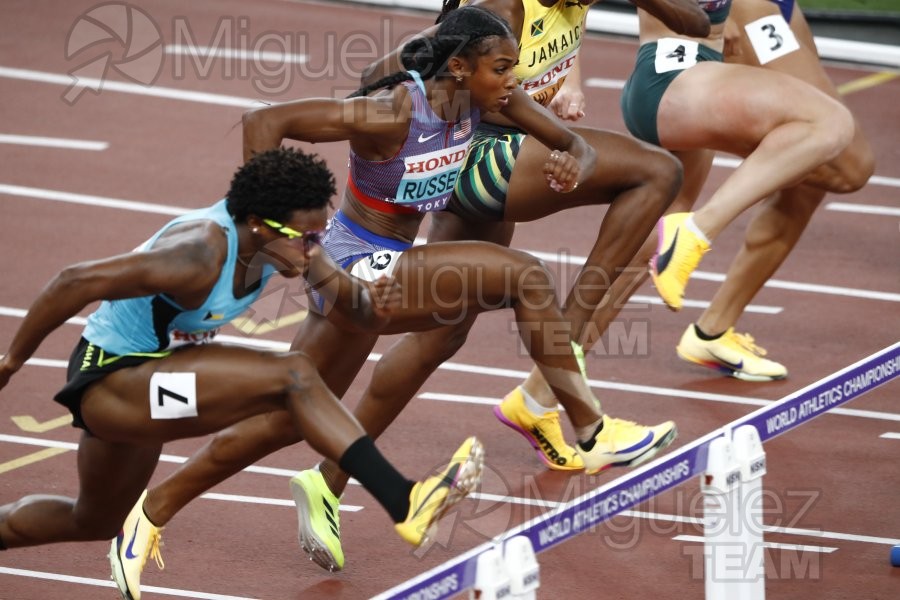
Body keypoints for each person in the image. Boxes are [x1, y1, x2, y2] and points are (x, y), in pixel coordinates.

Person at [114, 4, 679, 585]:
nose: (514, 80)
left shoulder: (493, 97)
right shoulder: (390, 112)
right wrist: (268, 228)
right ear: (458, 67)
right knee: (525, 276)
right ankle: (590, 428)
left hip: (388, 272)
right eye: (502, 68)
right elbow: (265, 120)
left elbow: (575, 144)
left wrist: (569, 162)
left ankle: (148, 512)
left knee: (287, 417)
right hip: (351, 268)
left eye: (514, 67)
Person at [0, 147, 486, 600]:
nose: (314, 249)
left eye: (320, 235)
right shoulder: (197, 254)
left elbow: (354, 307)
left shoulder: (288, 243)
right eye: (305, 238)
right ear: (256, 224)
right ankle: (404, 501)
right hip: (109, 382)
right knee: (294, 377)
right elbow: (74, 280)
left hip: (156, 382)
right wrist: (10, 363)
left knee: (95, 519)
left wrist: (375, 308)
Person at [571, 0, 875, 383]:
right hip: (743, 13)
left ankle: (709, 330)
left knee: (801, 168)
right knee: (843, 160)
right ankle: (558, 368)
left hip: (771, 10)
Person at [619, 0, 855, 316]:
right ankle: (696, 233)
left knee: (812, 159)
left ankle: (567, 348)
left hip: (690, 70)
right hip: (676, 76)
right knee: (830, 130)